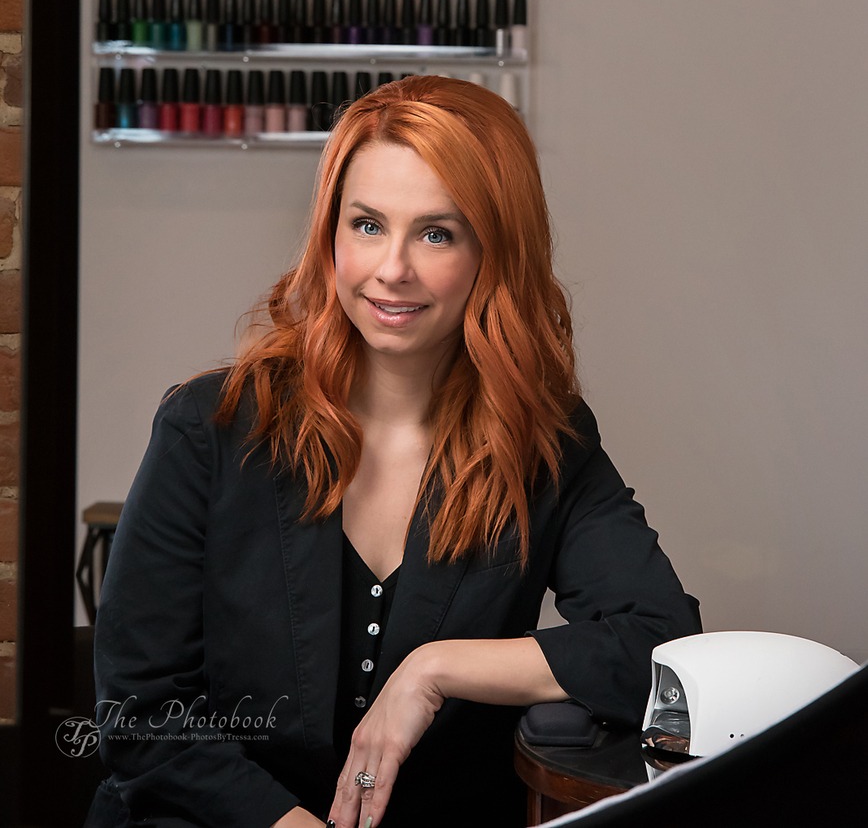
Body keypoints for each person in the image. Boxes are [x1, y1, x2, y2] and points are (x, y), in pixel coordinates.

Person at [85, 76, 701, 828]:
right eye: (368, 225)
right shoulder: (208, 426)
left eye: (436, 233)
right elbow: (142, 715)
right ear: (331, 234)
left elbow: (662, 645)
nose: (392, 269)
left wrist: (433, 670)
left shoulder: (545, 442)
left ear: (494, 252)